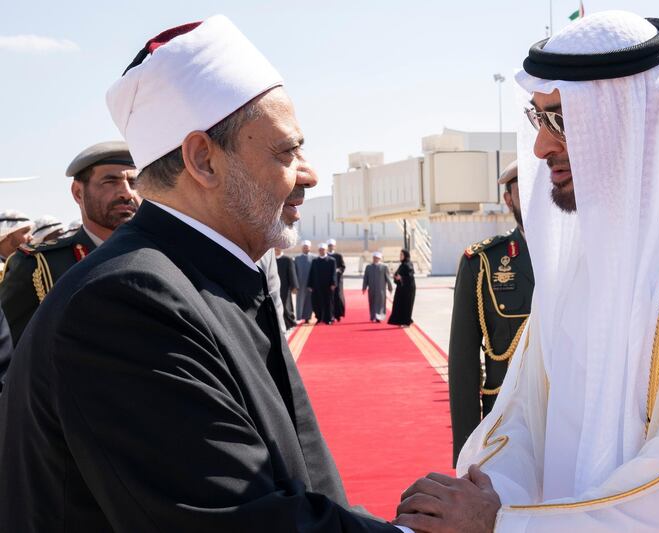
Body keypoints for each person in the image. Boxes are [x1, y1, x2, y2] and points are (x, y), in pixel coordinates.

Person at [395, 12, 659, 533]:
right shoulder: (585, 259)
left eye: (562, 120)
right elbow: (523, 421)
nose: (541, 148)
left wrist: (506, 526)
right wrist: (478, 499)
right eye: (538, 120)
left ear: (635, 119)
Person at [0, 16, 405, 533]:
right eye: (287, 151)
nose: (309, 173)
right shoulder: (127, 300)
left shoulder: (205, 277)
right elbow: (231, 519)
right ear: (203, 160)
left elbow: (295, 482)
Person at [0, 142, 139, 344]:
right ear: (78, 193)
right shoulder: (39, 267)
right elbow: (9, 355)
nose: (126, 193)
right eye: (110, 181)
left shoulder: (168, 255)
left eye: (134, 182)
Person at [448, 160, 534, 466]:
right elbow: (463, 363)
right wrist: (467, 451)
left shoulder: (584, 254)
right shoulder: (483, 262)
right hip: (506, 422)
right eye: (523, 188)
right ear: (508, 199)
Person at [309, 242, 337, 325]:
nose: (321, 251)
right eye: (320, 250)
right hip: (317, 286)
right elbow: (311, 273)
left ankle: (328, 318)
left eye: (323, 250)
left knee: (328, 303)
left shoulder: (331, 261)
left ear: (326, 250)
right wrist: (310, 285)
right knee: (317, 303)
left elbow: (334, 273)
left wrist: (333, 283)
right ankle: (319, 318)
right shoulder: (315, 261)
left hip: (328, 286)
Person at [387, 249, 415, 327]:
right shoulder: (402, 264)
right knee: (398, 304)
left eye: (402, 255)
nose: (400, 256)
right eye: (400, 255)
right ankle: (401, 321)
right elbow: (398, 274)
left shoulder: (408, 264)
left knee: (406, 305)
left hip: (408, 289)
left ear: (406, 256)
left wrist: (401, 278)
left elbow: (410, 277)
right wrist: (396, 277)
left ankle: (406, 322)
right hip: (401, 289)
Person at [362, 251, 392, 322]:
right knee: (372, 303)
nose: (375, 259)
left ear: (380, 259)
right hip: (372, 289)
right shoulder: (368, 267)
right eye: (374, 258)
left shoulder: (384, 267)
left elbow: (388, 278)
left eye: (377, 258)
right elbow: (366, 278)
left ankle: (379, 317)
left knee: (381, 304)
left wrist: (390, 288)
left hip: (381, 290)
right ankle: (373, 317)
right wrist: (364, 287)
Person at [275, 248, 298, 330]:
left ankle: (289, 323)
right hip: (273, 287)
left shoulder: (287, 260)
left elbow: (292, 273)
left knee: (285, 306)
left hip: (285, 287)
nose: (276, 249)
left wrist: (294, 286)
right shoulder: (272, 260)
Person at [294, 239, 314, 322]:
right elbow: (294, 272)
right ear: (302, 248)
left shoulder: (314, 258)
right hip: (300, 283)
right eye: (304, 247)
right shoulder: (297, 258)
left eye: (307, 247)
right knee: (299, 300)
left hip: (310, 283)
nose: (306, 248)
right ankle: (299, 316)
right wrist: (295, 285)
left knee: (309, 301)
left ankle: (307, 317)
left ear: (310, 248)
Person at [328, 238, 346, 320]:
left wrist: (338, 270)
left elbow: (343, 266)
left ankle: (338, 315)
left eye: (332, 246)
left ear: (334, 246)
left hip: (338, 280)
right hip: (328, 281)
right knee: (329, 297)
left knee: (338, 296)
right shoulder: (326, 256)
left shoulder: (338, 256)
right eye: (329, 246)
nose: (331, 247)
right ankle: (330, 315)